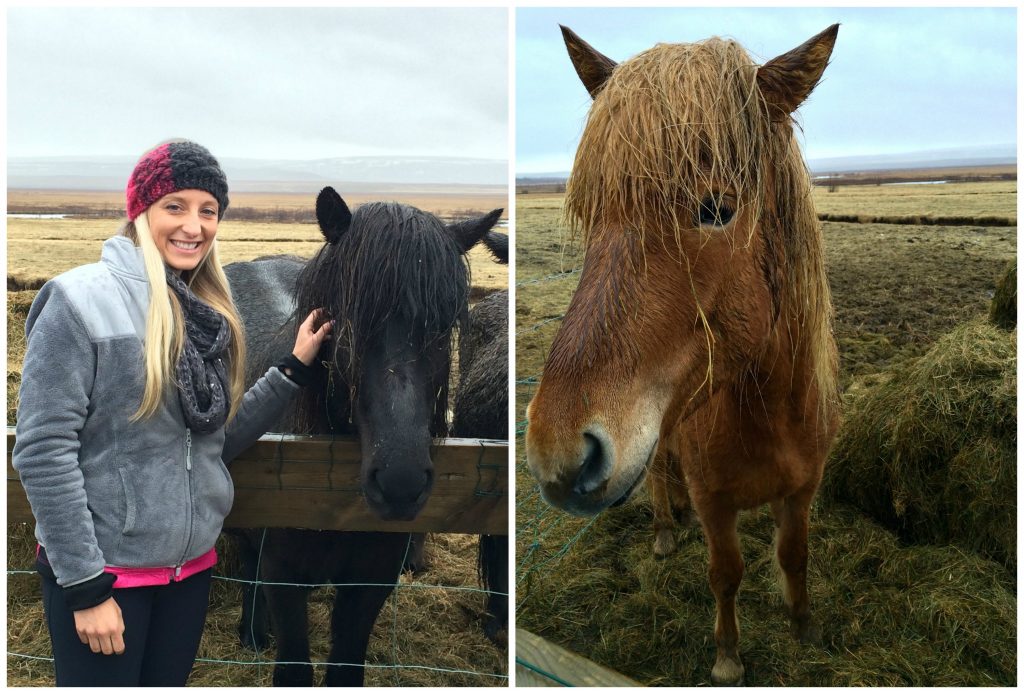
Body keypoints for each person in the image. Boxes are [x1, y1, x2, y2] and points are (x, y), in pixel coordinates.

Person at [12, 140, 331, 686]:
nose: (195, 226)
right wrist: (86, 588)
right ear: (141, 211)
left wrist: (291, 372)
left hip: (188, 573)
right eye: (175, 206)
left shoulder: (207, 313)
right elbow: (43, 452)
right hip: (106, 578)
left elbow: (211, 442)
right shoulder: (79, 301)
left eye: (209, 211)